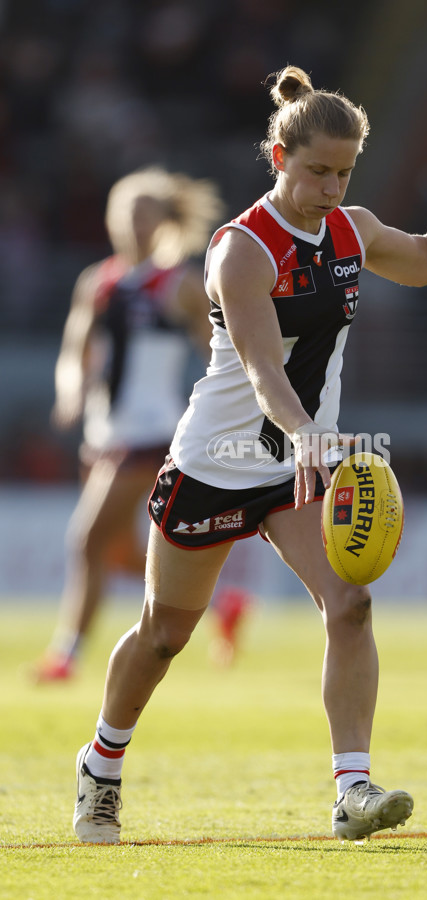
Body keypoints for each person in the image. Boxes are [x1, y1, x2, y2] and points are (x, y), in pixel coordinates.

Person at [72, 65, 427, 844]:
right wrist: (304, 431)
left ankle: (352, 790)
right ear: (279, 160)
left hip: (296, 467)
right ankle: (101, 766)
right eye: (317, 172)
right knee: (164, 635)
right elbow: (264, 366)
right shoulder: (240, 250)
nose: (332, 188)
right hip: (217, 460)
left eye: (344, 172)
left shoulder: (353, 228)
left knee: (351, 601)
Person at [34, 167, 252, 683]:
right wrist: (71, 391)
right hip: (104, 433)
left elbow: (219, 354)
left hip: (153, 434)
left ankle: (66, 655)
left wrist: (234, 413)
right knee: (118, 551)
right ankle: (224, 604)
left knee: (85, 541)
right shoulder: (99, 281)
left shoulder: (178, 286)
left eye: (142, 214)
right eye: (124, 214)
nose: (131, 225)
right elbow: (75, 349)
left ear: (164, 222)